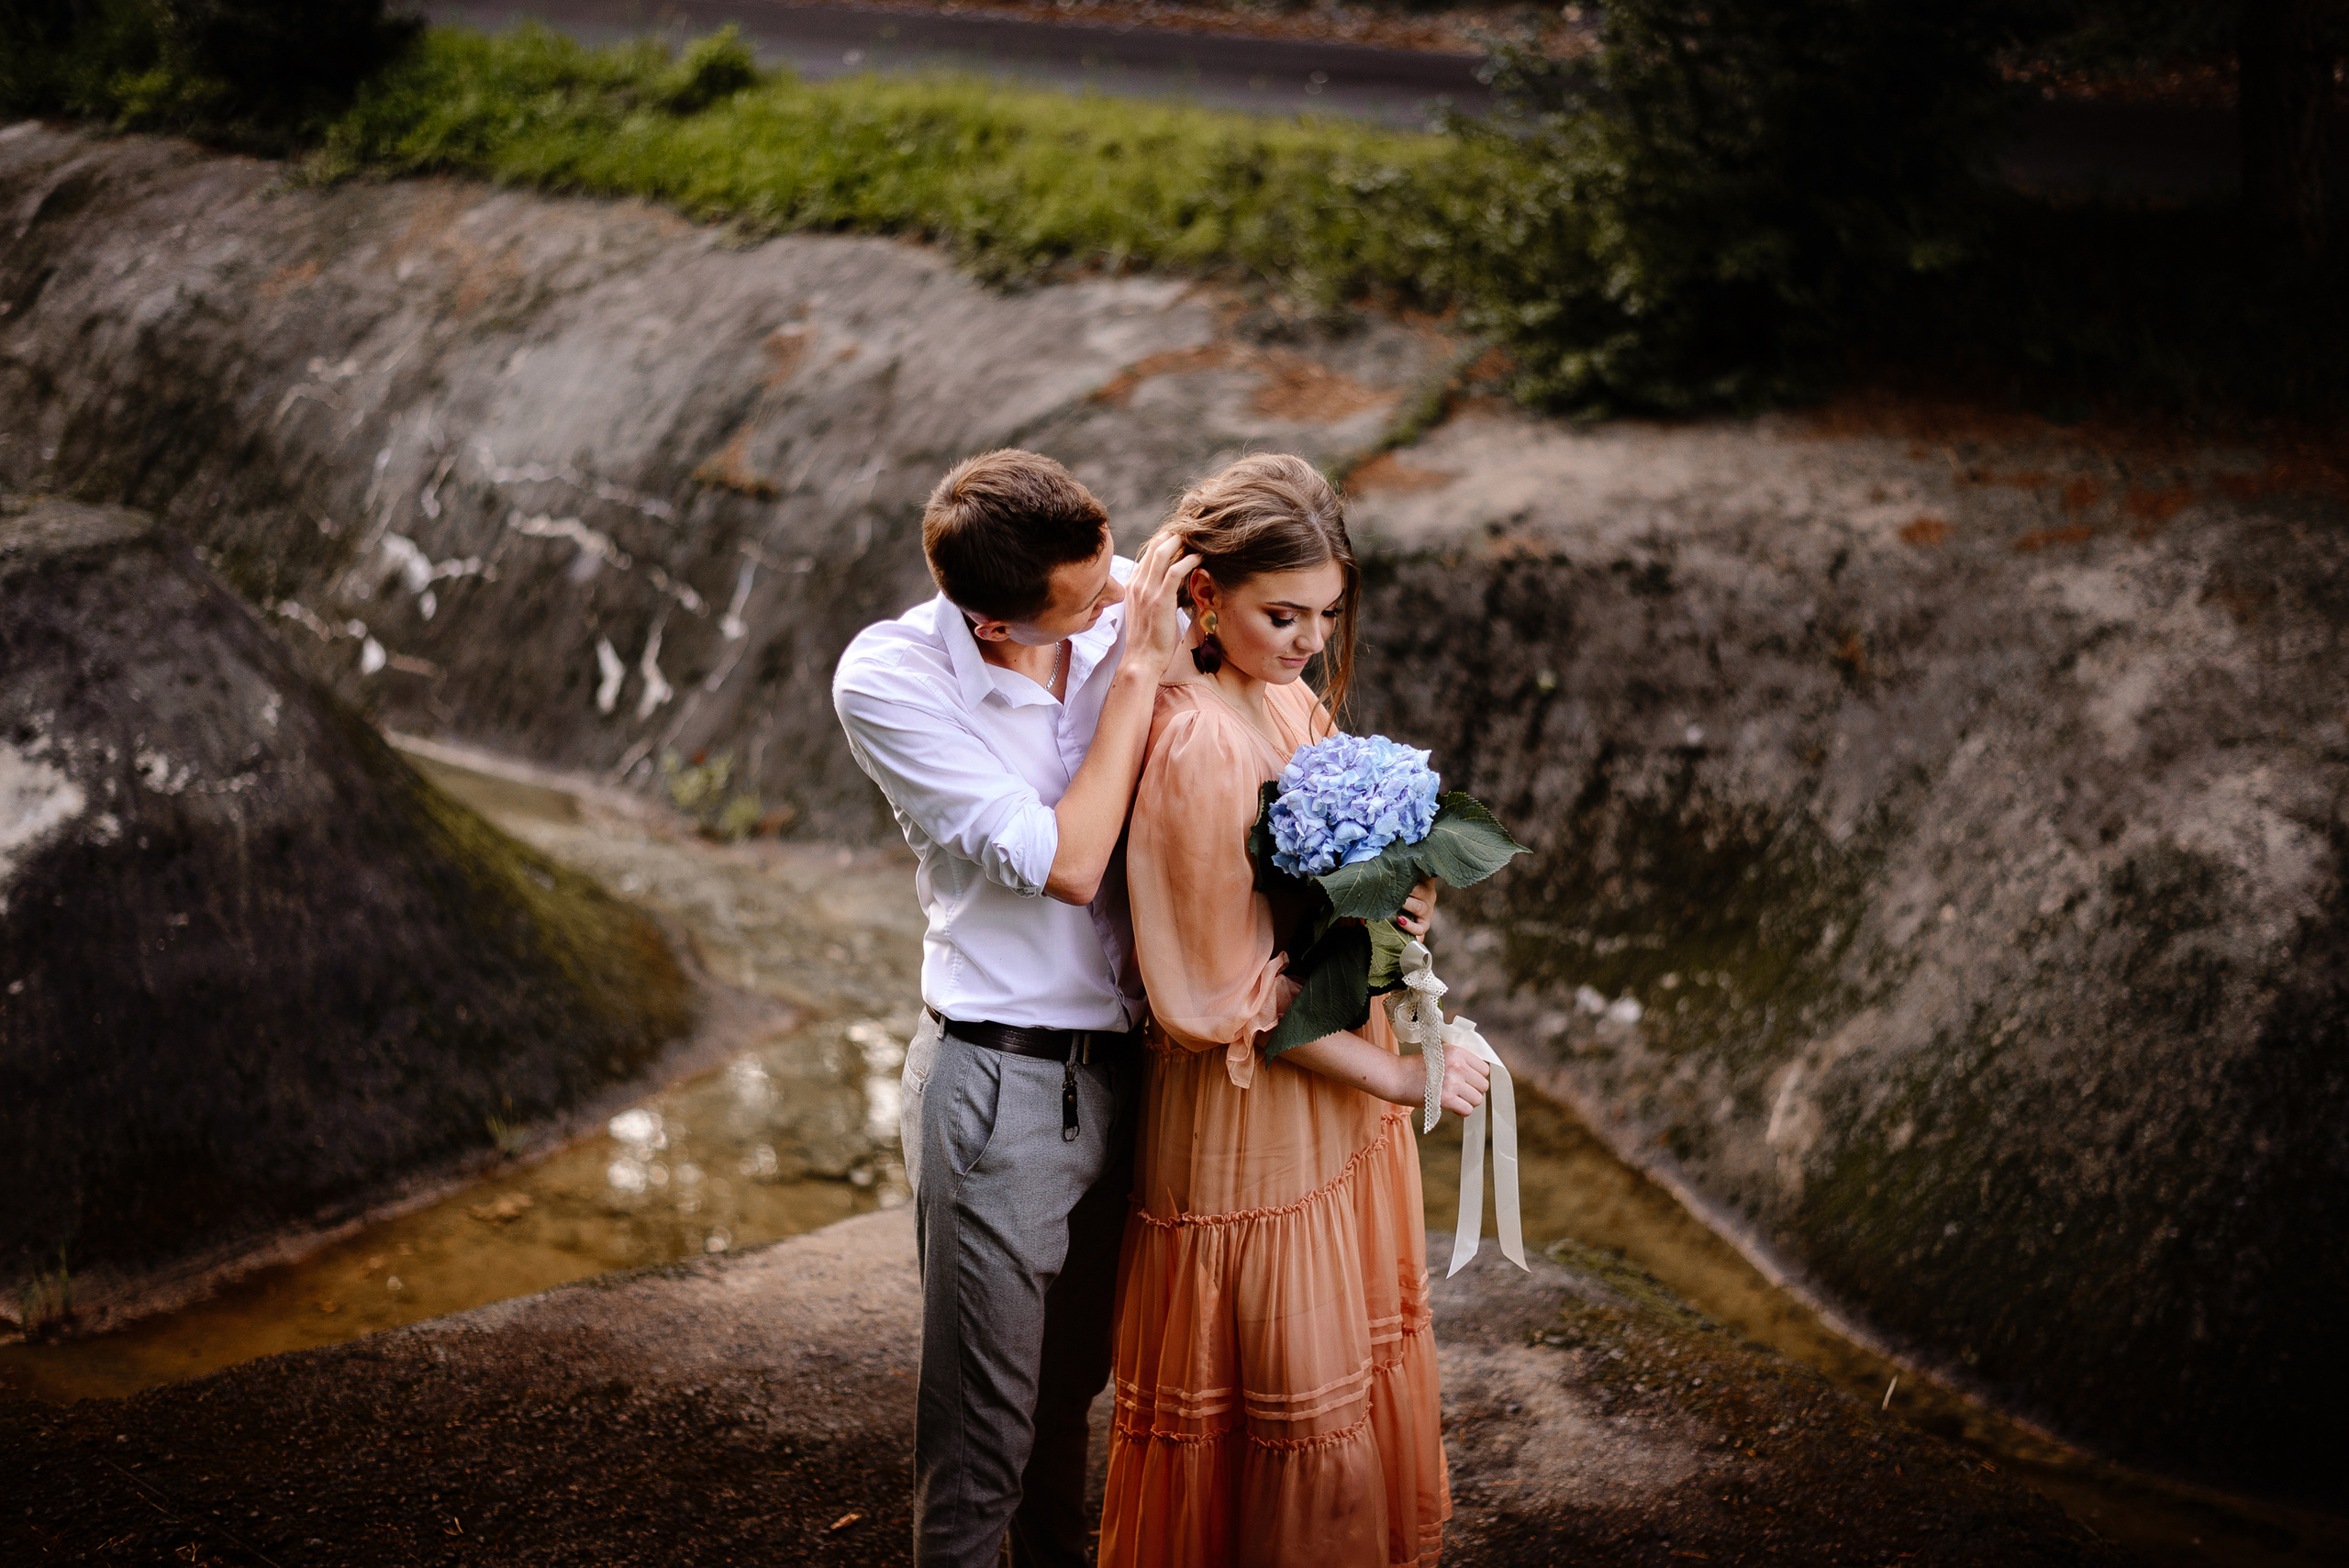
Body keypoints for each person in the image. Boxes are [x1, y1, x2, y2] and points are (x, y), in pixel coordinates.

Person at [1098, 453, 1491, 1568]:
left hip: (1327, 1110)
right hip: (1253, 1127)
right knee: (1277, 1415)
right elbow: (1232, 1005)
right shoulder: (1196, 744)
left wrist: (1398, 895)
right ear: (1203, 595)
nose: (1308, 637)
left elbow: (1320, 909)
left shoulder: (1280, 696)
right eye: (1282, 612)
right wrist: (1404, 1079)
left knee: (1336, 1408)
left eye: (1325, 612)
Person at [831, 449, 1198, 1568]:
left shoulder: (1104, 593)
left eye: (1110, 576)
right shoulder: (892, 681)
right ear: (995, 624)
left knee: (1072, 1398)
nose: (1114, 603)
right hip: (999, 1089)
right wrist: (1137, 671)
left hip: (1135, 1071)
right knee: (981, 1434)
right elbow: (1073, 861)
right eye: (1086, 603)